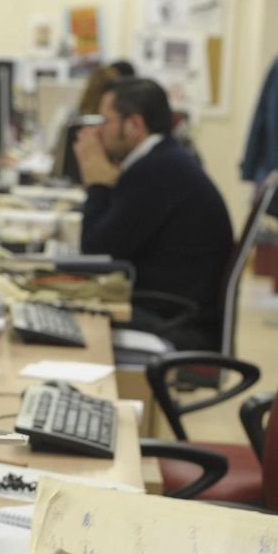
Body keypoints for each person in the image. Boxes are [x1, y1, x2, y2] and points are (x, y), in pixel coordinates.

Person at [75, 77, 233, 350]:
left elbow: (95, 253)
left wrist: (96, 182)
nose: (98, 132)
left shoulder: (154, 171)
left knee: (69, 316)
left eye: (105, 121)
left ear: (134, 125)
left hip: (175, 323)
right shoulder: (164, 160)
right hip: (175, 310)